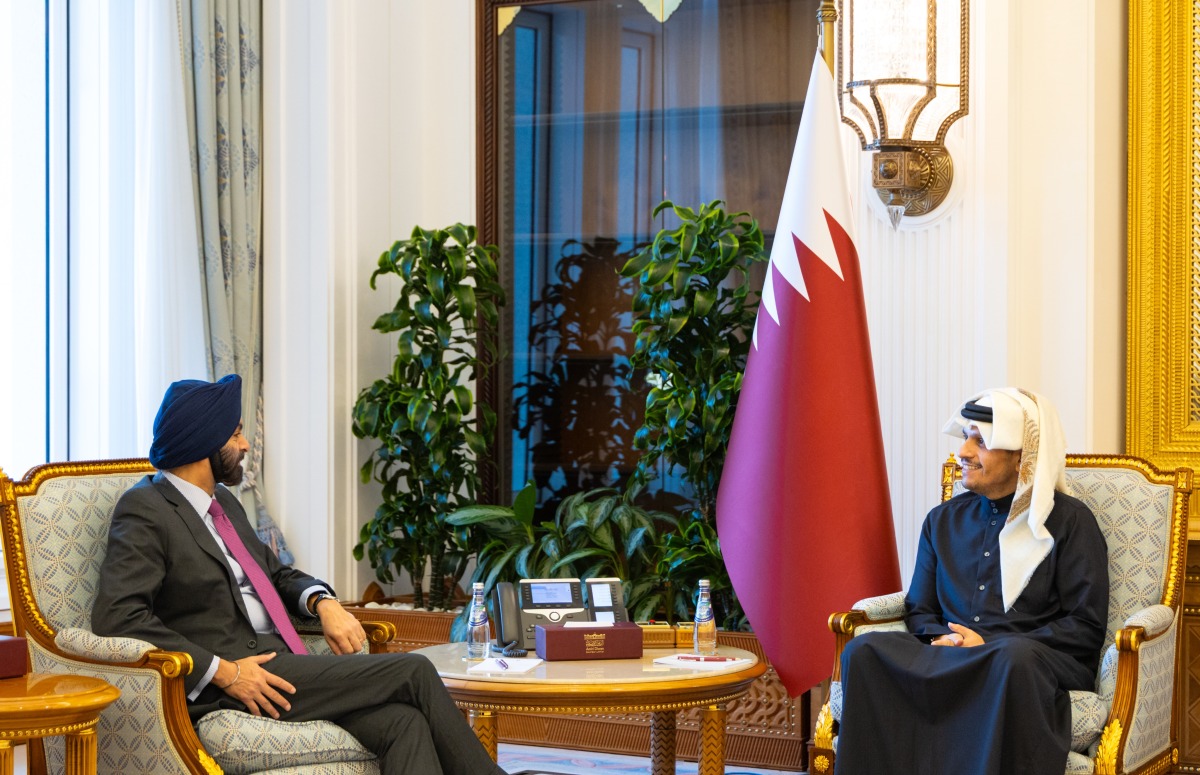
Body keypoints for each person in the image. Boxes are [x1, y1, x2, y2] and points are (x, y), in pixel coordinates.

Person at [93, 374, 506, 775]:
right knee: (414, 671)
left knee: (403, 722)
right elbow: (118, 616)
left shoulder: (223, 503)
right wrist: (224, 671)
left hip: (285, 664)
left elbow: (276, 575)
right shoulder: (146, 509)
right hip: (234, 680)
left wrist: (323, 602)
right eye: (236, 435)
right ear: (205, 443)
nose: (246, 444)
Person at [834, 388, 1109, 775]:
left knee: (1011, 659)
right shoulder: (941, 520)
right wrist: (946, 639)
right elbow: (920, 609)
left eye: (980, 441)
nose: (962, 452)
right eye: (965, 437)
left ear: (1021, 456)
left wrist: (989, 644)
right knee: (863, 652)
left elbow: (1085, 625)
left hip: (1028, 660)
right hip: (950, 652)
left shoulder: (1070, 522)